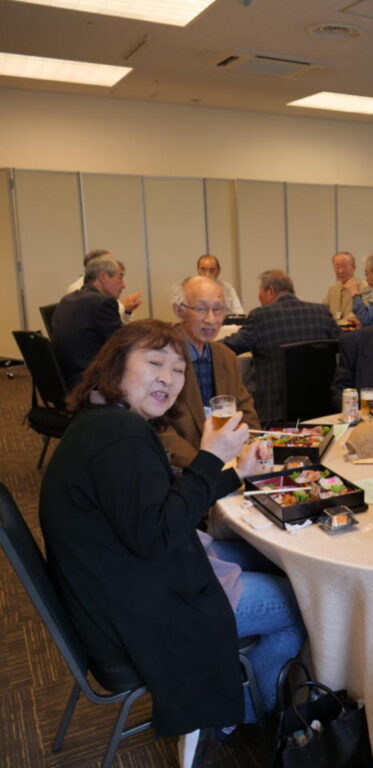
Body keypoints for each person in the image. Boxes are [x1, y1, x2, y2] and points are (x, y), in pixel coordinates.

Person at [38, 320, 305, 767]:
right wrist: (211, 456)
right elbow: (158, 534)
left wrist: (236, 473)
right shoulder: (120, 435)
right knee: (298, 603)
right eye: (154, 362)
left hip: (114, 586)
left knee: (258, 554)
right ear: (116, 364)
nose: (168, 377)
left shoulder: (100, 421)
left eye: (178, 369)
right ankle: (234, 717)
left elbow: (159, 510)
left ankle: (238, 692)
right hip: (140, 611)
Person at [161, 276, 261, 467]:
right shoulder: (163, 357)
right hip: (184, 468)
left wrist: (251, 447)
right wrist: (205, 466)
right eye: (201, 309)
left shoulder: (226, 356)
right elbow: (160, 427)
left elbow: (245, 409)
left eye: (218, 309)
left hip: (229, 462)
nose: (211, 319)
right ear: (179, 310)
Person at [221, 270, 339, 424]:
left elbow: (231, 346)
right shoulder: (321, 313)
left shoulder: (261, 316)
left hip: (274, 411)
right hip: (322, 408)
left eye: (260, 295)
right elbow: (345, 344)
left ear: (270, 291)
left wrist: (202, 343)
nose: (260, 301)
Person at [51, 255, 126, 386]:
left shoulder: (67, 300)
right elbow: (122, 344)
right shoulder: (102, 302)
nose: (123, 285)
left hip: (66, 377)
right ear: (103, 277)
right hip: (91, 380)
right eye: (120, 277)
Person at [65, 248, 143, 323]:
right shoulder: (76, 290)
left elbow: (116, 322)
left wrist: (127, 311)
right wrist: (123, 306)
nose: (124, 285)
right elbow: (94, 319)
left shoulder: (106, 290)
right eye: (109, 262)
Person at [322, 251, 359, 325]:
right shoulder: (333, 289)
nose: (340, 271)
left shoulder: (363, 286)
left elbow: (359, 314)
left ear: (354, 268)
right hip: (334, 329)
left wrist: (337, 325)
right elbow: (323, 309)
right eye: (337, 267)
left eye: (345, 267)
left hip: (352, 329)